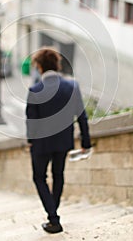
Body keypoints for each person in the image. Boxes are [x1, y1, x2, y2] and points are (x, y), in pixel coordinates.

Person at [26, 47, 91, 234]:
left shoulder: (35, 90)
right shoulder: (72, 87)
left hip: (41, 144)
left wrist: (30, 140)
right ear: (57, 64)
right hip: (63, 142)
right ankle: (53, 213)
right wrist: (86, 142)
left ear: (39, 67)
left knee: (39, 177)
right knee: (58, 175)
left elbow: (32, 121)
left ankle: (53, 218)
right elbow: (82, 116)